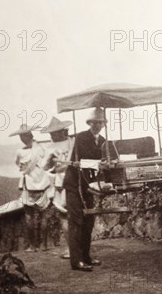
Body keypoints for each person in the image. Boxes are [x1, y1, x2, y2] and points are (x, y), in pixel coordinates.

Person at [63, 107, 106, 271]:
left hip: (89, 186)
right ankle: (76, 260)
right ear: (90, 123)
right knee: (76, 221)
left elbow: (104, 161)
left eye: (100, 123)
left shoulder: (103, 141)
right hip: (74, 184)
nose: (98, 125)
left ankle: (86, 256)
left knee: (89, 221)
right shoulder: (81, 137)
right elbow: (81, 159)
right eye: (95, 123)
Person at [11, 124, 57, 252]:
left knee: (29, 216)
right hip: (42, 186)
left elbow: (19, 166)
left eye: (21, 136)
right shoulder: (41, 148)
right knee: (44, 216)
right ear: (31, 135)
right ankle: (44, 245)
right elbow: (49, 163)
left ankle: (32, 245)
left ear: (23, 137)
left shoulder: (20, 152)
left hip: (29, 187)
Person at [40, 116, 75, 259]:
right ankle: (78, 247)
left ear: (59, 132)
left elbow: (44, 166)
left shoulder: (51, 148)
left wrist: (53, 163)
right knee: (76, 216)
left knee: (64, 216)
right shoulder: (73, 143)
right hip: (75, 181)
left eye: (53, 133)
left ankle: (70, 249)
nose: (52, 135)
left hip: (61, 183)